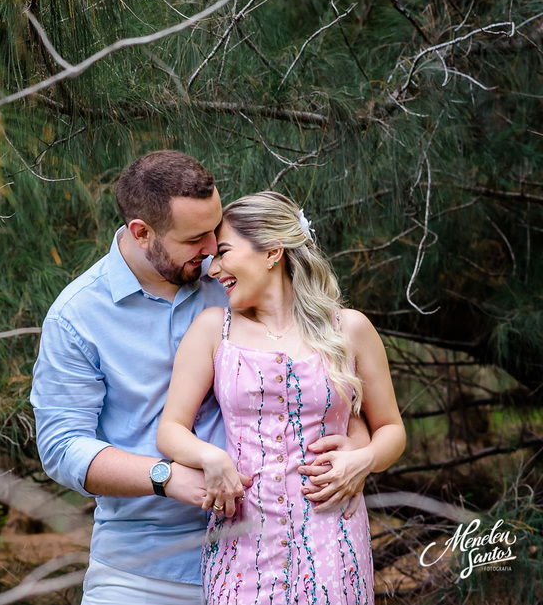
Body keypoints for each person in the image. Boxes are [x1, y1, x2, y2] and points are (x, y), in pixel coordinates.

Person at [30, 152, 368, 605]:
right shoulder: (77, 317)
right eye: (195, 238)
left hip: (265, 558)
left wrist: (358, 449)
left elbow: (322, 379)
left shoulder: (234, 279)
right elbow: (62, 447)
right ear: (141, 233)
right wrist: (165, 477)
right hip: (141, 568)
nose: (212, 249)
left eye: (216, 230)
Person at [157, 191, 406, 604]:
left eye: (223, 253)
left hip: (333, 538)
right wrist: (209, 456)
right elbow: (170, 430)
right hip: (241, 543)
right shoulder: (213, 329)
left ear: (273, 251)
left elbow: (392, 429)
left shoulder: (350, 329)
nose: (212, 269)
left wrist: (363, 459)